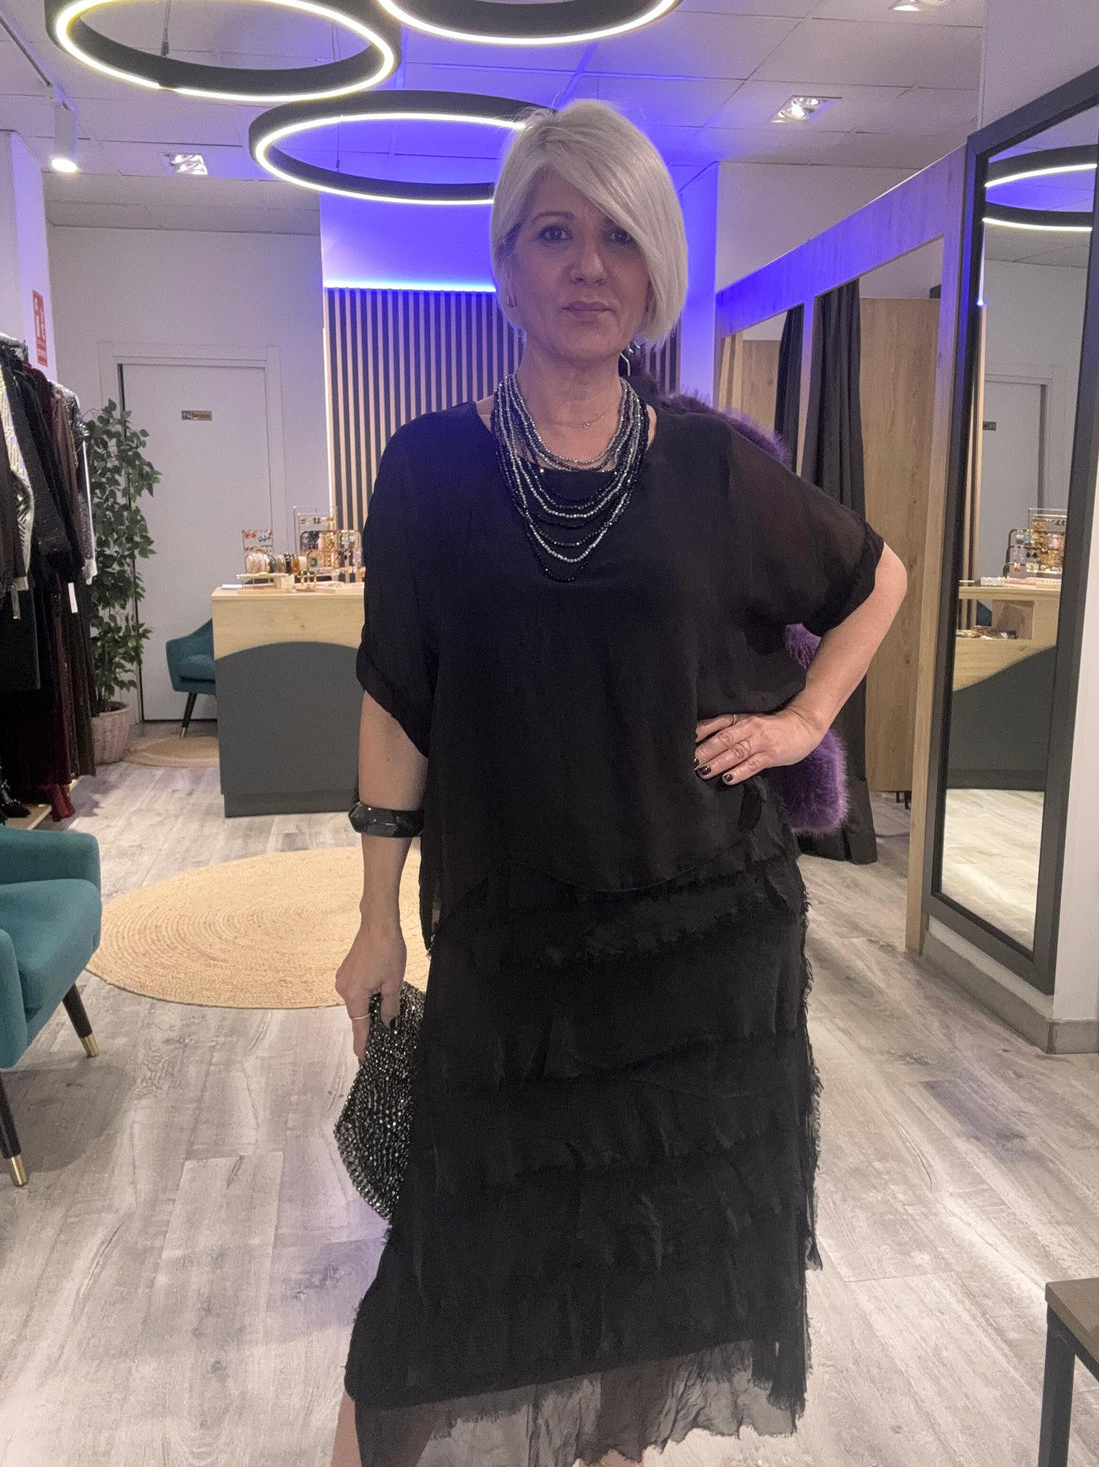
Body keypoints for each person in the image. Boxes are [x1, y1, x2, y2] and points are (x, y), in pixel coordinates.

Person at [331, 99, 907, 1467]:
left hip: (700, 953)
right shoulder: (428, 471)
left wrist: (803, 719)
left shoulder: (712, 467)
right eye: (554, 233)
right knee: (438, 1300)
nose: (589, 265)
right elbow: (399, 702)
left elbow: (874, 577)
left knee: (648, 1282)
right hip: (512, 949)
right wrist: (372, 919)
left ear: (655, 270)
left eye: (620, 237)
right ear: (505, 264)